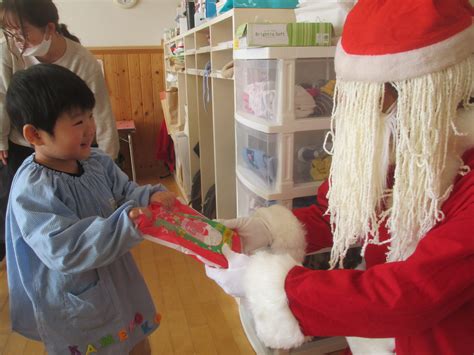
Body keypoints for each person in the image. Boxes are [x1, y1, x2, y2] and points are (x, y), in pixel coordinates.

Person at [206, 1, 474, 354]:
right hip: (377, 336)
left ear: (427, 94)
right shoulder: (391, 145)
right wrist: (268, 229)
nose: (358, 113)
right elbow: (338, 212)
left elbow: (413, 295)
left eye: (373, 99)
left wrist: (277, 288)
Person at [4, 63, 175, 355]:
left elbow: (125, 192)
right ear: (35, 135)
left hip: (116, 276)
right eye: (76, 122)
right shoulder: (32, 189)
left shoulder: (97, 161)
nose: (90, 128)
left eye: (89, 116)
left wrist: (148, 198)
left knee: (135, 340)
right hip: (74, 294)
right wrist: (124, 224)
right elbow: (64, 248)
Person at [0, 0, 120, 261]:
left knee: (81, 210)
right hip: (24, 145)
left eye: (22, 32)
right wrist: (2, 141)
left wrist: (107, 160)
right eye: (9, 33)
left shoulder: (81, 60)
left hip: (69, 146)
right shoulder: (8, 50)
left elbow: (100, 112)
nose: (15, 41)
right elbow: (2, 98)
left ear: (49, 28)